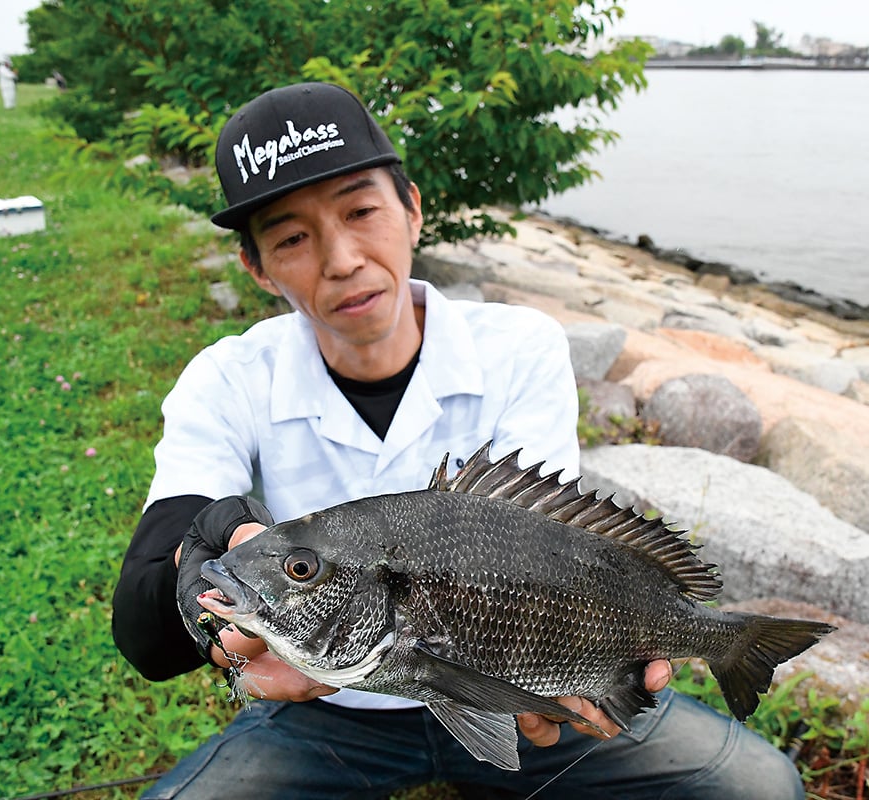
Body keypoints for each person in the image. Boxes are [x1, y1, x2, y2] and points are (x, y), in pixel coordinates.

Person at [111, 82, 804, 800]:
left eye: (361, 211)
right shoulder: (228, 379)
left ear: (412, 211)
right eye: (291, 237)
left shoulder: (519, 345)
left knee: (758, 786)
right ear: (256, 268)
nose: (342, 258)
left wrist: (584, 679)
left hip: (531, 694)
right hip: (329, 713)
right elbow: (144, 628)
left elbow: (559, 552)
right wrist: (209, 554)